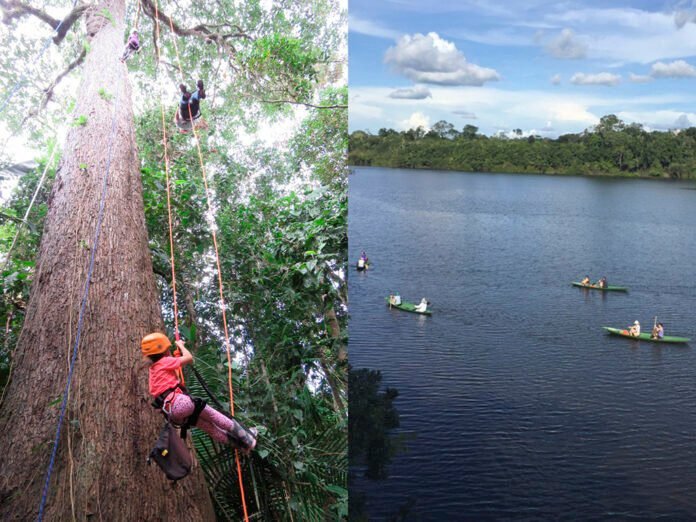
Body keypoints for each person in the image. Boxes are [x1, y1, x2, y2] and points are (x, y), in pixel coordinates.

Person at [141, 332, 257, 453]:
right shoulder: (165, 361)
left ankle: (241, 446)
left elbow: (170, 380)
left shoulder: (153, 370)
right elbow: (189, 358)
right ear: (164, 350)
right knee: (214, 416)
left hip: (173, 413)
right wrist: (181, 346)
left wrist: (175, 357)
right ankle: (248, 439)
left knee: (210, 428)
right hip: (181, 403)